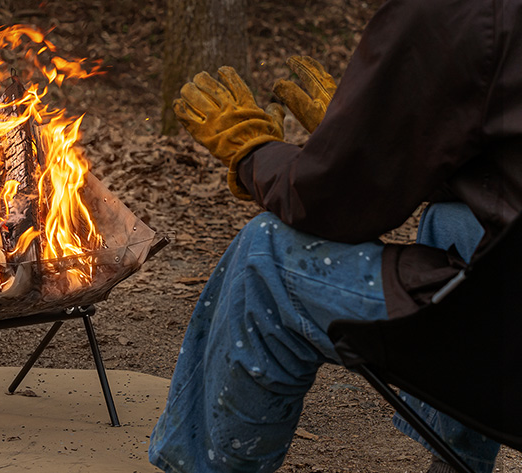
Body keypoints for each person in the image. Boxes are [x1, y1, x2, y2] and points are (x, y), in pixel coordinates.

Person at [149, 0, 522, 472]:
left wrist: (252, 151)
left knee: (266, 255)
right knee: (452, 220)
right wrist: (382, 141)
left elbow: (329, 205)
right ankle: (456, 465)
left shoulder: (458, 14)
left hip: (504, 341)